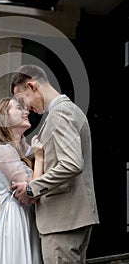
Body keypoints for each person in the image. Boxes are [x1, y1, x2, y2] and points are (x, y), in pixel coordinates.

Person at [10, 64, 99, 264]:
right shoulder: (71, 111)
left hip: (62, 222)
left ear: (33, 86)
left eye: (24, 101)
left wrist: (32, 189)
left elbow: (72, 164)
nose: (27, 109)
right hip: (71, 219)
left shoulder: (59, 114)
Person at [0, 97, 44, 264]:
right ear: (5, 118)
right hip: (15, 221)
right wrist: (39, 159)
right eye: (19, 108)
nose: (26, 112)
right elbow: (33, 190)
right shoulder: (3, 151)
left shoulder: (23, 151)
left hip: (27, 217)